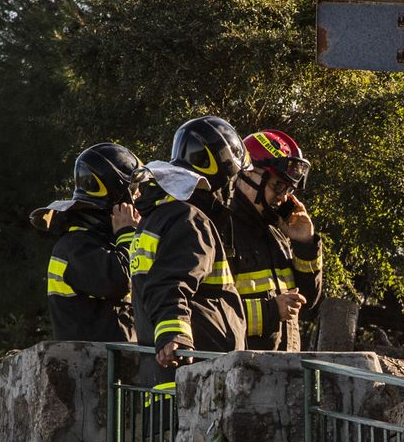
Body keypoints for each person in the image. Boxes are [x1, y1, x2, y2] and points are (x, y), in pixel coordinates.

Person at [131, 115, 248, 388]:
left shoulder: (157, 217)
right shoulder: (188, 218)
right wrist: (175, 333)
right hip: (195, 378)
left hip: (164, 379)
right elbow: (171, 281)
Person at [31, 143, 152, 342]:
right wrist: (128, 233)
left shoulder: (99, 244)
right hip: (92, 367)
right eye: (135, 189)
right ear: (117, 193)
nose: (138, 196)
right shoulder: (75, 246)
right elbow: (121, 281)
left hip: (115, 364)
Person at [231, 129, 322, 351]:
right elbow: (210, 317)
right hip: (239, 375)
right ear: (248, 175)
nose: (283, 198)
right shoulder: (220, 230)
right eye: (277, 186)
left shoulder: (277, 232)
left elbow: (309, 301)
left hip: (284, 372)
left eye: (289, 189)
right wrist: (271, 311)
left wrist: (305, 244)